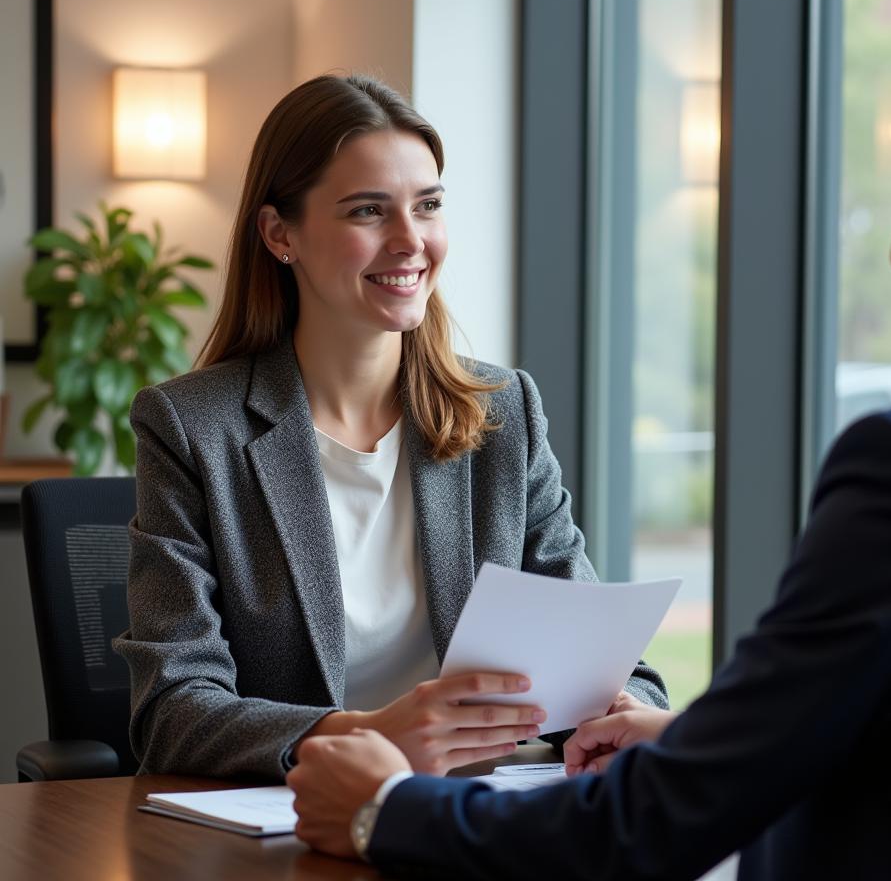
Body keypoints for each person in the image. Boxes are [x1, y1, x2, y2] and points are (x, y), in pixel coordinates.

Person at [286, 29, 891, 880]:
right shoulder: (195, 424)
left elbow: (647, 829)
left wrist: (386, 811)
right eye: (368, 208)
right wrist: (700, 746)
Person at [113, 75, 667, 782]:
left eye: (428, 206)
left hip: (481, 814)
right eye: (368, 211)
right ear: (281, 234)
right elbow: (171, 711)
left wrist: (621, 712)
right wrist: (369, 736)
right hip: (297, 824)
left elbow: (614, 665)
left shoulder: (504, 414)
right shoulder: (193, 428)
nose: (410, 241)